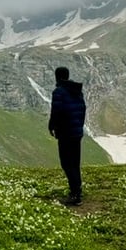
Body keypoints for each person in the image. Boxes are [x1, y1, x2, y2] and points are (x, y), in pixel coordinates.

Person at [48, 66, 86, 205]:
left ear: (57, 77)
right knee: (75, 163)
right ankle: (77, 190)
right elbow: (82, 109)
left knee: (66, 163)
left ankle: (75, 195)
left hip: (66, 133)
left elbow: (56, 111)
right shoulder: (77, 91)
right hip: (76, 132)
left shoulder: (59, 92)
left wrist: (52, 126)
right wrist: (79, 126)